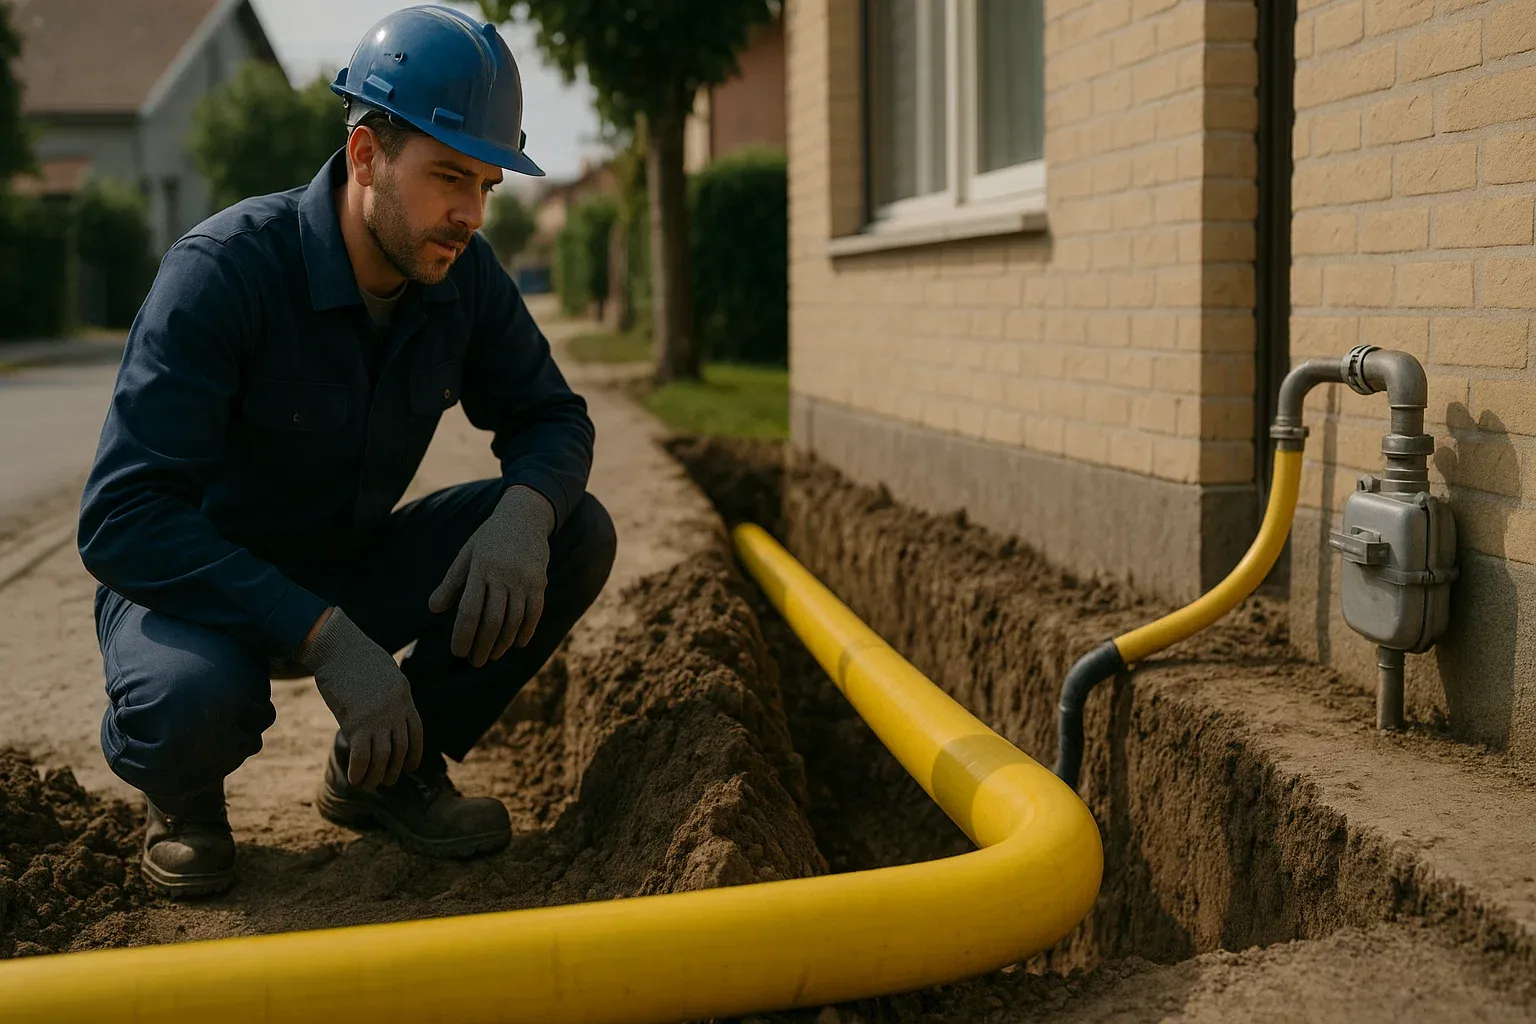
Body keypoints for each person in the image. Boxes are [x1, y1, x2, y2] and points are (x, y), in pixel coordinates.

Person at [77, 5, 615, 898]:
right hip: (199, 593)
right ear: (366, 156)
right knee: (187, 705)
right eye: (450, 177)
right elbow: (122, 521)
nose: (471, 214)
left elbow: (553, 418)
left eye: (488, 184)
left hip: (347, 566)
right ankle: (184, 799)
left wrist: (526, 513)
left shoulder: (460, 271)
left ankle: (390, 772)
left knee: (572, 530)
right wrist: (324, 639)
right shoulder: (222, 273)